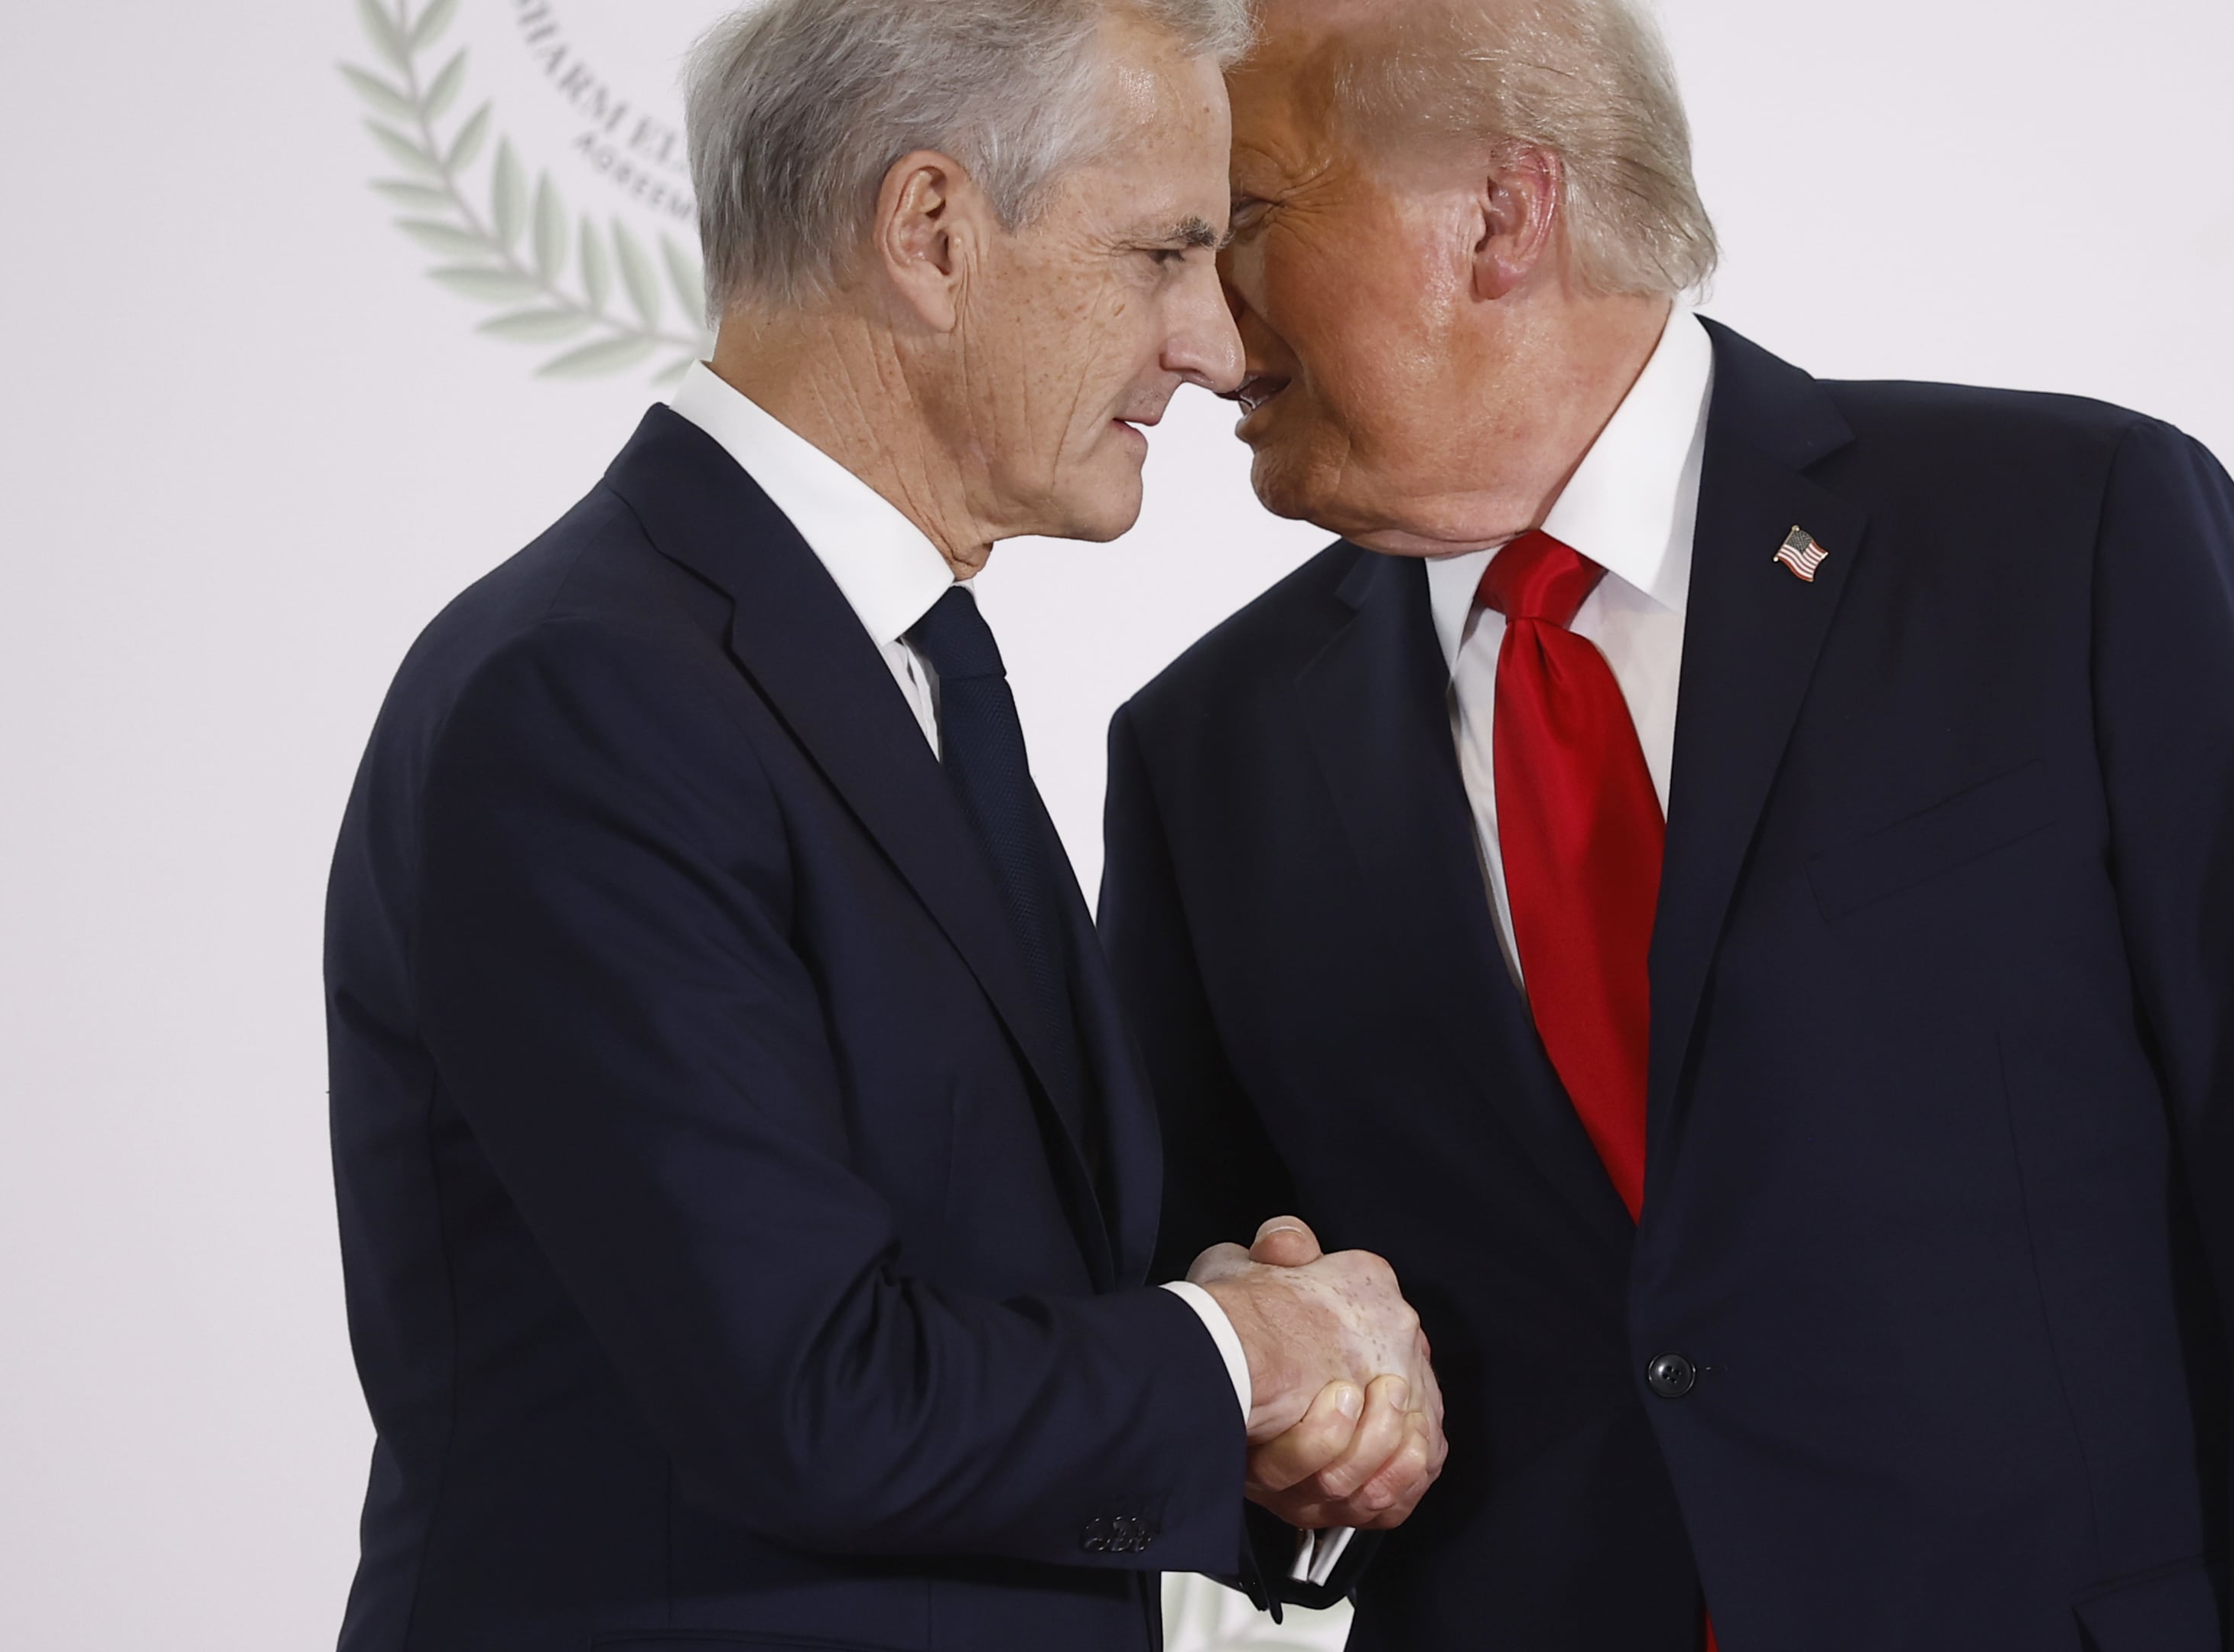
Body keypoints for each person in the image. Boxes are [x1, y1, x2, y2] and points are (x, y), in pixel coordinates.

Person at [1099, 0, 2234, 1645]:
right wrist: (1278, 1419)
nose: (1195, 327)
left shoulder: (2074, 536)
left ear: (1501, 215)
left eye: (1242, 223)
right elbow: (1194, 1297)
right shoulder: (1206, 751)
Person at [322, 2, 1442, 1647]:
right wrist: (1243, 1357)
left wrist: (1248, 1380)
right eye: (1162, 253)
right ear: (929, 234)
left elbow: (956, 1280)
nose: (1215, 343)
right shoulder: (587, 697)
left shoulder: (902, 663)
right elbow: (808, 1393)